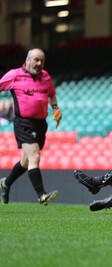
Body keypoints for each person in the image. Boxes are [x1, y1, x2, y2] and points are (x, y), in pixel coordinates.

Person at [0, 48, 61, 205]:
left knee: (26, 161)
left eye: (42, 61)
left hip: (41, 123)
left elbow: (52, 94)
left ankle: (6, 183)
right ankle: (41, 195)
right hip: (23, 123)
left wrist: (55, 108)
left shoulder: (45, 76)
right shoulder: (14, 75)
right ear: (27, 60)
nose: (39, 63)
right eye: (36, 60)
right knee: (35, 157)